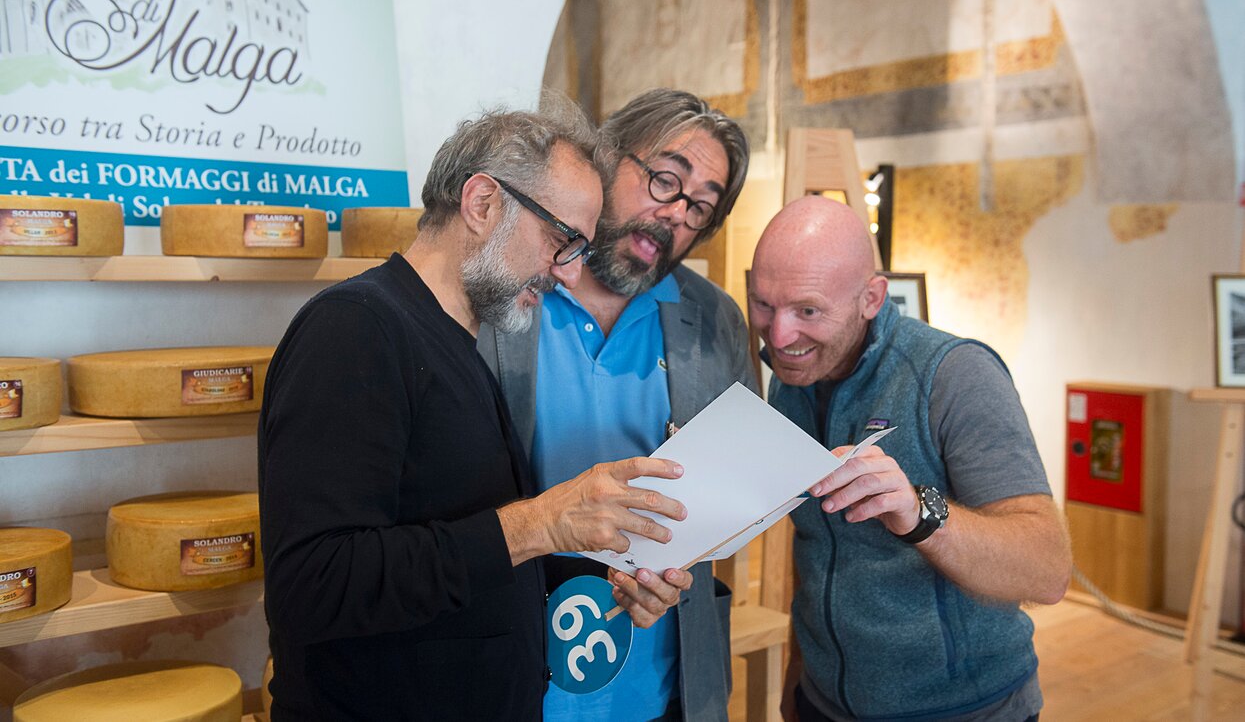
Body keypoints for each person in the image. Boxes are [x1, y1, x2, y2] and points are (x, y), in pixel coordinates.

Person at [258, 106, 697, 721]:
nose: (567, 273)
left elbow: (470, 556)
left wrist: (613, 578)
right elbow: (314, 581)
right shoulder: (356, 328)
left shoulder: (458, 345)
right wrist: (541, 522)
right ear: (483, 201)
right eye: (560, 239)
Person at [478, 88, 754, 722]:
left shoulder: (716, 323)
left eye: (701, 207)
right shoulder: (511, 291)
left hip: (658, 681)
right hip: (512, 673)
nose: (675, 215)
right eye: (665, 180)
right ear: (604, 157)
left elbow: (738, 495)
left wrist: (684, 546)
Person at [747, 196, 1072, 721]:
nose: (779, 337)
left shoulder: (956, 376)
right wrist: (799, 682)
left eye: (807, 311)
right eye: (763, 304)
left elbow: (1047, 571)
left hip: (964, 711)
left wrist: (921, 513)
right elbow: (816, 556)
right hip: (823, 704)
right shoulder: (791, 386)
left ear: (872, 298)